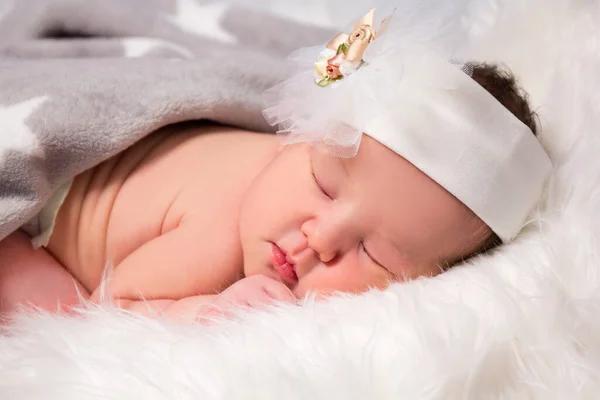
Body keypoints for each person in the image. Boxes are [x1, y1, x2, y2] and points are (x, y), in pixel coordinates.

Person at [0, 9, 552, 322]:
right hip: (54, 201)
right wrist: (205, 309)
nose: (320, 237)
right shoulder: (215, 237)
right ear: (295, 135)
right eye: (324, 185)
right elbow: (112, 310)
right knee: (52, 310)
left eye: (374, 254)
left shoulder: (303, 182)